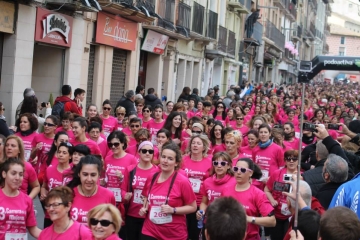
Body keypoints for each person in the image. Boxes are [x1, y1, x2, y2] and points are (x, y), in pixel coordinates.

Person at [139, 142, 197, 240]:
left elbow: (193, 207)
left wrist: (173, 210)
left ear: (176, 163)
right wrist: (144, 208)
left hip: (173, 234)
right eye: (163, 157)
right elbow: (146, 196)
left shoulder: (182, 181)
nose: (165, 161)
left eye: (170, 159)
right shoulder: (151, 177)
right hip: (150, 231)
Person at [222, 158, 276, 240]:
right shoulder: (226, 190)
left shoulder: (258, 194)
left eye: (243, 170)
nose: (238, 172)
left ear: (250, 173)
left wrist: (249, 219)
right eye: (236, 169)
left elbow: (272, 221)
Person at [122, 141, 158, 240]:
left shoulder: (157, 171)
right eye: (144, 151)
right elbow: (123, 189)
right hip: (131, 213)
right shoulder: (130, 169)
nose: (147, 153)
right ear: (139, 152)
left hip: (148, 216)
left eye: (150, 151)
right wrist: (125, 196)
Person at [0, 158, 41, 239]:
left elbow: (33, 229)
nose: (17, 177)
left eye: (21, 174)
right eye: (13, 173)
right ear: (4, 174)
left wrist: (53, 236)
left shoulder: (27, 200)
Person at [67, 155, 116, 224]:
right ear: (79, 174)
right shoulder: (69, 194)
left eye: (93, 175)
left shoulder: (108, 195)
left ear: (99, 175)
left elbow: (112, 224)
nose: (89, 179)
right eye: (85, 174)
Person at [182, 134, 212, 240]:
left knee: (196, 233)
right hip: (184, 202)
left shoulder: (210, 162)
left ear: (203, 147)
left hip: (200, 202)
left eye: (198, 143)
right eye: (193, 143)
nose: (195, 145)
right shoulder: (183, 160)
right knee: (183, 233)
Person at [264, 150, 299, 240]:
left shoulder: (302, 176)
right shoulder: (277, 173)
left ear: (298, 161)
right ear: (285, 161)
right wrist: (272, 200)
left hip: (292, 215)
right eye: (288, 159)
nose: (291, 161)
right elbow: (267, 190)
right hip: (277, 213)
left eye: (294, 159)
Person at [40, 142, 73, 227]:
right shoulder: (49, 169)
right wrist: (43, 193)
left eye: (64, 153)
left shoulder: (74, 173)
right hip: (50, 212)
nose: (60, 155)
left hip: (66, 213)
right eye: (59, 152)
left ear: (70, 156)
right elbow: (44, 186)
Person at [252, 124, 284, 188]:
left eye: (265, 132)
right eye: (261, 132)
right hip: (259, 182)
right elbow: (254, 166)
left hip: (272, 181)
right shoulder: (255, 149)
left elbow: (282, 167)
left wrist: (272, 178)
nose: (263, 134)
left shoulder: (277, 148)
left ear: (270, 134)